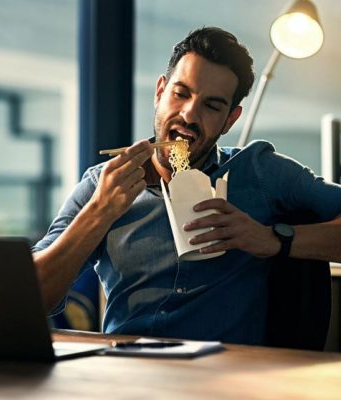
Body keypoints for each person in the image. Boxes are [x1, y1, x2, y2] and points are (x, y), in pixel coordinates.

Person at [33, 27, 341, 345]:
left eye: (212, 105)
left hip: (228, 381)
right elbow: (30, 298)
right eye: (181, 93)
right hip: (129, 376)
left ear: (230, 120)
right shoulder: (104, 183)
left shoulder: (258, 171)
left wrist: (272, 239)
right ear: (160, 92)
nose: (189, 114)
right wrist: (98, 212)